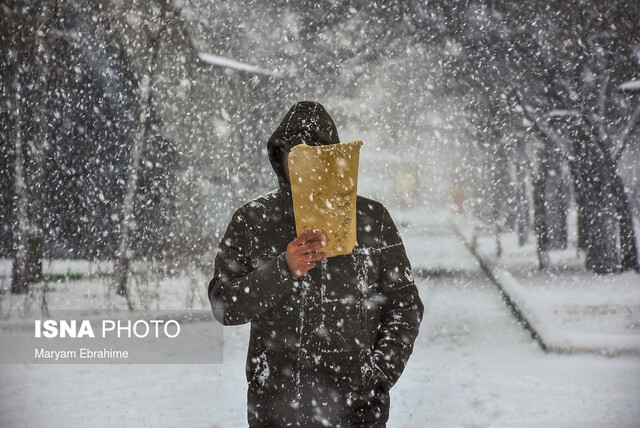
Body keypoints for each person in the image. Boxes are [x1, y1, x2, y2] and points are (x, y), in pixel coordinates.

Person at [208, 101, 423, 427]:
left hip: (358, 408)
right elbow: (225, 305)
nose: (303, 167)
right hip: (277, 407)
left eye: (314, 155)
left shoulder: (371, 219)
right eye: (294, 156)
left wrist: (377, 374)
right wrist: (282, 269)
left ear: (333, 158)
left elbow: (405, 306)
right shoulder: (253, 220)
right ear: (279, 158)